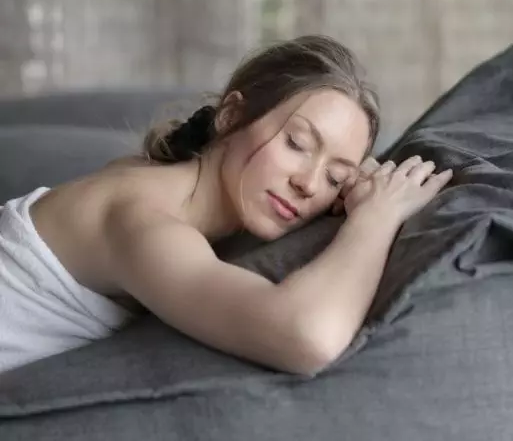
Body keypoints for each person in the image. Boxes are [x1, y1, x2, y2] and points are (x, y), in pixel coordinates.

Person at [0, 35, 452, 376]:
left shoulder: (169, 190)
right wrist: (378, 215)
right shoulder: (143, 222)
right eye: (296, 143)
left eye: (335, 176)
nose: (308, 183)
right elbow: (308, 338)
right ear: (232, 115)